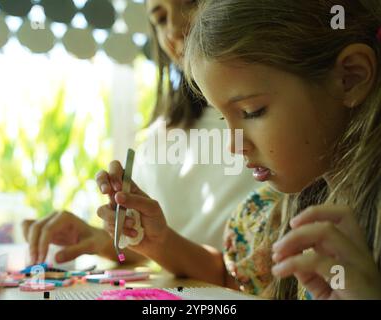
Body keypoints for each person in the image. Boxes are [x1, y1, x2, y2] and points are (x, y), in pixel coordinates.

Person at [98, 0, 381, 299]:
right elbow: (238, 283)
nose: (234, 146)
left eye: (252, 111)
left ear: (351, 78)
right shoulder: (281, 213)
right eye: (223, 118)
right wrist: (159, 241)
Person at [22, 0, 257, 266]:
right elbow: (159, 246)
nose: (174, 28)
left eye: (192, 2)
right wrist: (104, 239)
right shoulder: (162, 135)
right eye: (159, 18)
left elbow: (241, 275)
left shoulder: (277, 125)